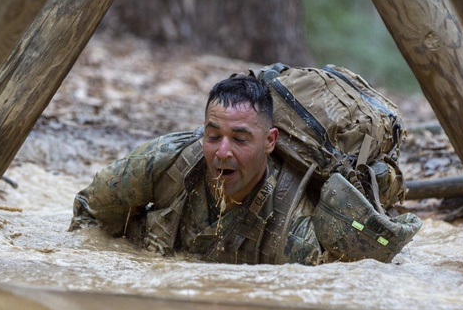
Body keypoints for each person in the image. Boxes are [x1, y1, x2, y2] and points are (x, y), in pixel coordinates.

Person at [69, 74, 420, 265]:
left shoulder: (296, 237)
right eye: (213, 135)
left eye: (240, 139)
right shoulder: (163, 162)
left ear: (270, 141)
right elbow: (89, 213)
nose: (222, 152)